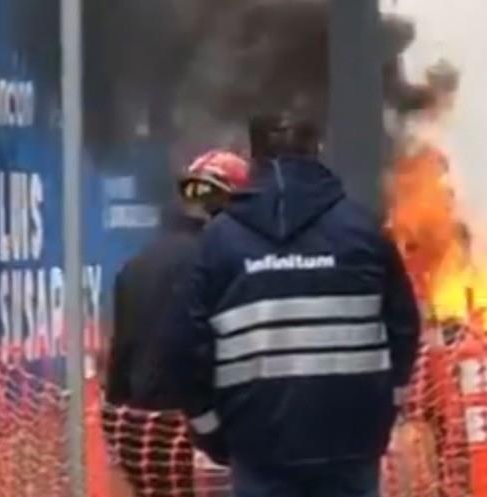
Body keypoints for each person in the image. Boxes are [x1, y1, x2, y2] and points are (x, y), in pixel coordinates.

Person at [161, 114, 421, 497]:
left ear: (253, 156)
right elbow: (404, 327)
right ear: (318, 149)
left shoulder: (217, 243)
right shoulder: (363, 230)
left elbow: (184, 345)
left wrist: (211, 430)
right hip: (350, 446)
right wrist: (386, 408)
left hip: (258, 450)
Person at [103, 149, 249, 497]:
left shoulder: (138, 265)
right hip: (209, 439)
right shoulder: (225, 264)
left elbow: (119, 367)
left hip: (143, 438)